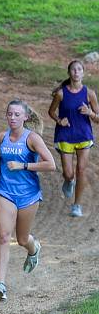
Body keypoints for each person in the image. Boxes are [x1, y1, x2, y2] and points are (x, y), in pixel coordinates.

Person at [0, 100, 55, 301]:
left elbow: (51, 164)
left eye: (17, 115)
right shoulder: (1, 137)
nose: (12, 118)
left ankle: (34, 248)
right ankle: (0, 284)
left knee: (22, 239)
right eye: (9, 114)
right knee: (4, 236)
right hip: (5, 192)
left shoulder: (32, 139)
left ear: (25, 117)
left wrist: (23, 166)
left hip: (29, 195)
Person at [48, 60, 99, 217]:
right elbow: (51, 112)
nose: (76, 72)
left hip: (84, 135)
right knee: (69, 173)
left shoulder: (89, 93)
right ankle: (69, 181)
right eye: (73, 69)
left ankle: (77, 206)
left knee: (81, 170)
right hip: (65, 135)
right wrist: (59, 120)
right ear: (69, 73)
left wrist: (90, 113)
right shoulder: (61, 93)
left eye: (79, 69)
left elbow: (98, 118)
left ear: (83, 73)